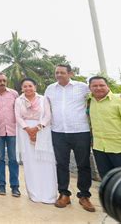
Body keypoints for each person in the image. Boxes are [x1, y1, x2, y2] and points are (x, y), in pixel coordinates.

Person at [44, 64, 95, 212]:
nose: (59, 75)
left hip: (80, 131)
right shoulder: (50, 89)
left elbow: (99, 95)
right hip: (58, 132)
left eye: (62, 72)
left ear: (70, 73)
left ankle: (84, 196)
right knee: (61, 164)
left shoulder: (83, 87)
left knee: (83, 165)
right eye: (56, 72)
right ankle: (64, 194)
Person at [15, 78, 57, 204]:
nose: (27, 88)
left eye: (30, 86)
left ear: (35, 87)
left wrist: (38, 128)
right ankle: (34, 194)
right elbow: (17, 116)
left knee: (45, 161)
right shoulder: (18, 100)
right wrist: (28, 129)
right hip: (25, 131)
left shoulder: (43, 99)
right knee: (30, 162)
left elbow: (48, 115)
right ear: (22, 88)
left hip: (43, 130)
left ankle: (49, 195)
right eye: (25, 86)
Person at [88, 76, 121, 178]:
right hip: (99, 148)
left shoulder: (120, 99)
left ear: (107, 86)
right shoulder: (89, 100)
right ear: (89, 87)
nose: (98, 88)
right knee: (106, 179)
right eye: (94, 86)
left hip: (120, 148)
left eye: (102, 85)